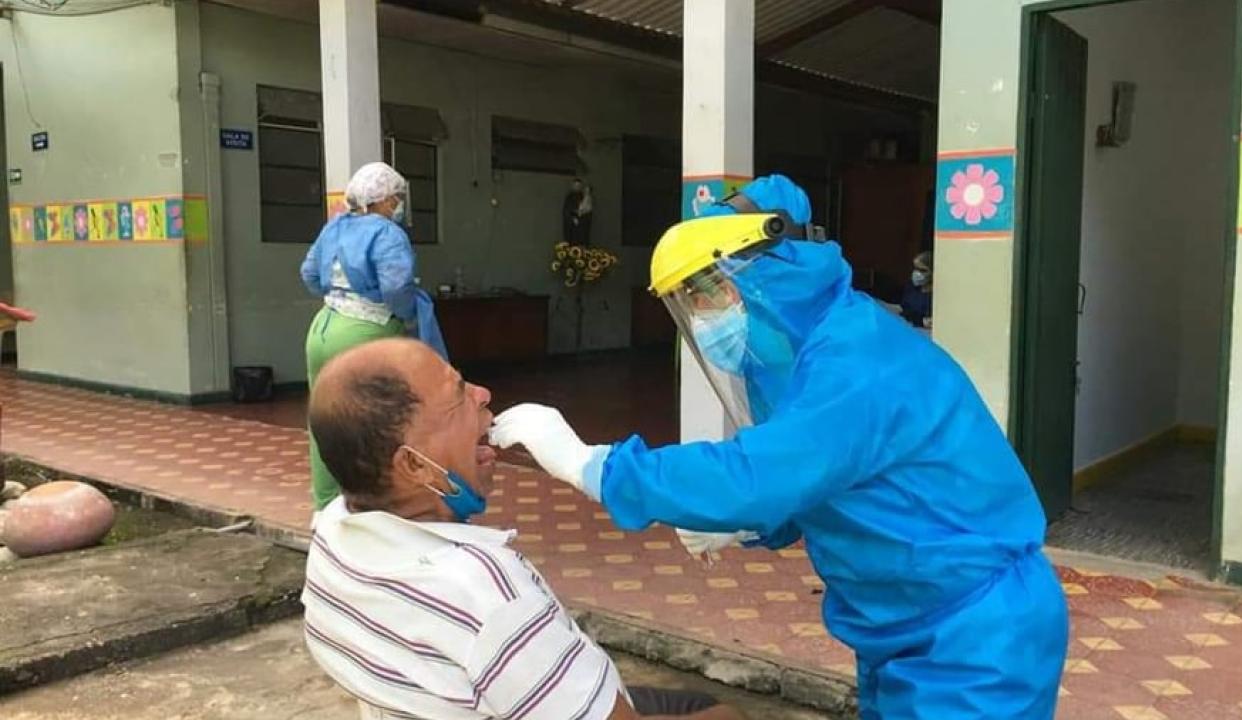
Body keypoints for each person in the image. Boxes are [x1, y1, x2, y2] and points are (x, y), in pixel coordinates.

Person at [491, 175, 1068, 720]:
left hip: (975, 636)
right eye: (691, 304)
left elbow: (756, 475)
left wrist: (592, 465)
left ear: (771, 268)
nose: (706, 316)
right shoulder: (807, 358)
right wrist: (751, 527)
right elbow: (821, 483)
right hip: (901, 625)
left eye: (709, 293)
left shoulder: (857, 359)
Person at [304, 338, 743, 720]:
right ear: (415, 464)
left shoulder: (331, 529)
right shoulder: (485, 593)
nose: (483, 394)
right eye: (459, 395)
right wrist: (586, 466)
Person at [301, 161, 447, 511]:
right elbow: (397, 286)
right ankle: (372, 508)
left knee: (322, 420)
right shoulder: (387, 234)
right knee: (372, 426)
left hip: (323, 329)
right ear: (380, 201)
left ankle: (324, 509)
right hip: (365, 334)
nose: (397, 206)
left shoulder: (334, 227)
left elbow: (308, 273)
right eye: (395, 199)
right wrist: (407, 312)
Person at [899, 251, 933, 329]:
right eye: (915, 268)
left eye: (923, 270)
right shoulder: (911, 286)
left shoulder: (935, 296)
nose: (917, 273)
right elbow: (904, 309)